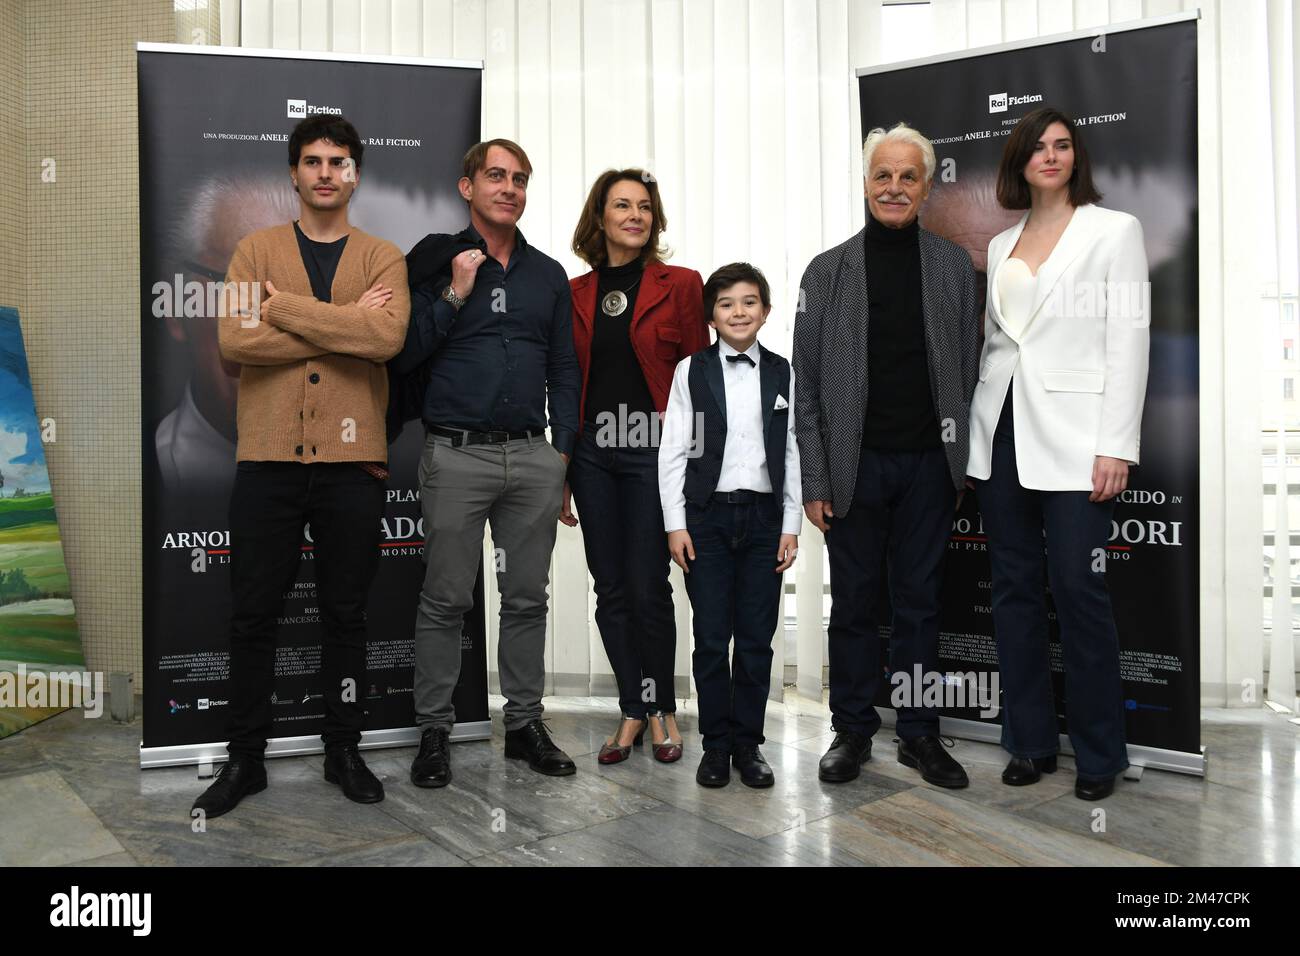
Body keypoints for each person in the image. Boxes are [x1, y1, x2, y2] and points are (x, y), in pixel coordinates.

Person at [192, 115, 411, 818]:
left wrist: (284, 310)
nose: (325, 172)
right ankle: (245, 760)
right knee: (253, 615)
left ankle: (342, 748)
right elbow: (234, 340)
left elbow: (385, 340)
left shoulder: (383, 257)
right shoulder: (254, 248)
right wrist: (341, 321)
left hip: (353, 465)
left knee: (346, 615)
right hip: (266, 461)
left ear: (355, 174)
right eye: (312, 160)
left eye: (338, 161)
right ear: (293, 173)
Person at [967, 106, 1149, 801]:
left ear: (1077, 157)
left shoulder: (1115, 231)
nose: (1051, 155)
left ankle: (1101, 755)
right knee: (1013, 593)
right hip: (1003, 428)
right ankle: (1030, 742)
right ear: (1019, 160)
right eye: (1038, 146)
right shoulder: (1001, 242)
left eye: (1062, 145)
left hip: (1079, 438)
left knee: (1078, 589)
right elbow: (999, 342)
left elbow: (1129, 339)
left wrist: (1116, 445)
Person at [793, 123, 980, 788]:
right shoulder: (826, 271)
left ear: (927, 188)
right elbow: (806, 385)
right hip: (854, 467)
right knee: (852, 603)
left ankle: (920, 734)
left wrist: (959, 465)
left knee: (921, 604)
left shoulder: (953, 267)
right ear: (866, 182)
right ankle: (851, 731)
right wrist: (816, 476)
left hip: (931, 466)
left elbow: (971, 367)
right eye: (883, 175)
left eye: (908, 176)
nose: (894, 187)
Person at [394, 139, 581, 787]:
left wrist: (563, 455)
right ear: (467, 186)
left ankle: (525, 725)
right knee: (445, 598)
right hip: (455, 454)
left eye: (520, 179)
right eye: (496, 176)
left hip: (533, 456)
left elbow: (563, 366)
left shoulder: (548, 274)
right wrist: (454, 292)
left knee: (528, 598)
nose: (510, 187)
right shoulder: (434, 261)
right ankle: (435, 731)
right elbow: (404, 351)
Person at [565, 169, 710, 765]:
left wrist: (695, 466)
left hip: (655, 452)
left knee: (650, 585)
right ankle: (630, 707)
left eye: (644, 207)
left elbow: (700, 380)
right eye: (621, 205)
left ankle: (661, 709)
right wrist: (564, 467)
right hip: (593, 455)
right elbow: (565, 381)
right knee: (611, 585)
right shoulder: (573, 292)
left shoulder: (681, 284)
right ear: (599, 217)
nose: (634, 215)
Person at [659, 263, 801, 789]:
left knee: (758, 640)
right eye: (726, 304)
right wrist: (676, 523)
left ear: (765, 311)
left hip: (765, 522)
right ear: (711, 316)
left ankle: (749, 745)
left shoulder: (785, 372)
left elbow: (793, 451)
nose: (738, 312)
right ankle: (716, 745)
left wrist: (791, 525)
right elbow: (672, 449)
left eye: (748, 302)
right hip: (708, 521)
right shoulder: (690, 371)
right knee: (713, 637)